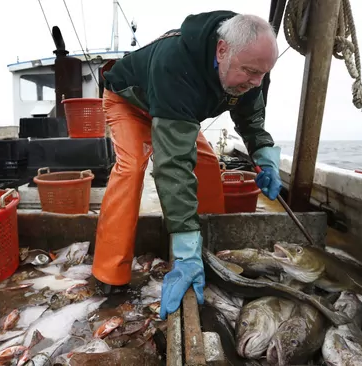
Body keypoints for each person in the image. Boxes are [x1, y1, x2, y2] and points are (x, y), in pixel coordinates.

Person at [91, 10, 283, 320]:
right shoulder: (176, 63)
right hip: (130, 105)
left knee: (207, 164)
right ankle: (109, 273)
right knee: (131, 170)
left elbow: (250, 119)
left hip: (176, 111)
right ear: (222, 50)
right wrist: (183, 250)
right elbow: (173, 166)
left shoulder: (251, 68)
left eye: (262, 74)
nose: (256, 82)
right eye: (250, 72)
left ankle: (209, 251)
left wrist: (264, 155)